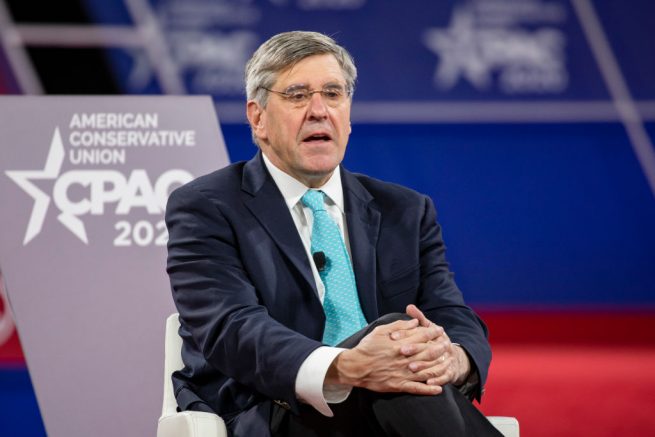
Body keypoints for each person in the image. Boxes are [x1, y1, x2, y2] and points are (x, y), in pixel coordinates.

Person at [166, 31, 501, 436]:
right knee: (396, 346)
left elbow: (452, 315)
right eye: (296, 95)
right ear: (258, 118)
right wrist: (349, 367)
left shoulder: (406, 210)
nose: (319, 110)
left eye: (333, 93)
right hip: (274, 409)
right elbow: (232, 327)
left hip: (395, 408)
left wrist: (454, 358)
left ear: (348, 112)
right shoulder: (207, 206)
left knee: (399, 359)